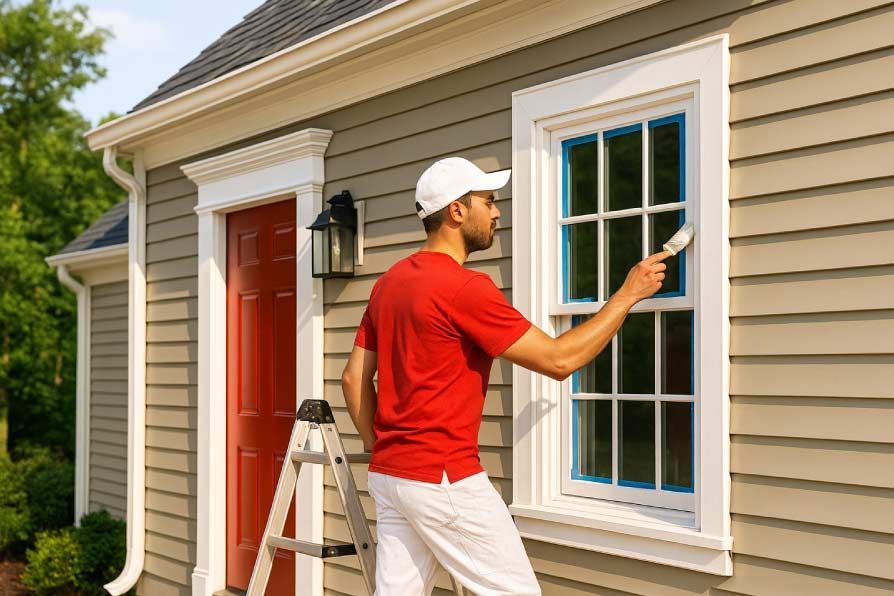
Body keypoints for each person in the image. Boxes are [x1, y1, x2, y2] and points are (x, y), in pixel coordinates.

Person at [341, 156, 671, 595]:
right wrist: (626, 295)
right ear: (456, 211)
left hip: (392, 475)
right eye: (489, 201)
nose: (497, 212)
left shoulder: (389, 283)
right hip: (444, 476)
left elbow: (352, 379)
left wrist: (378, 444)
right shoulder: (464, 288)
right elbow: (558, 361)